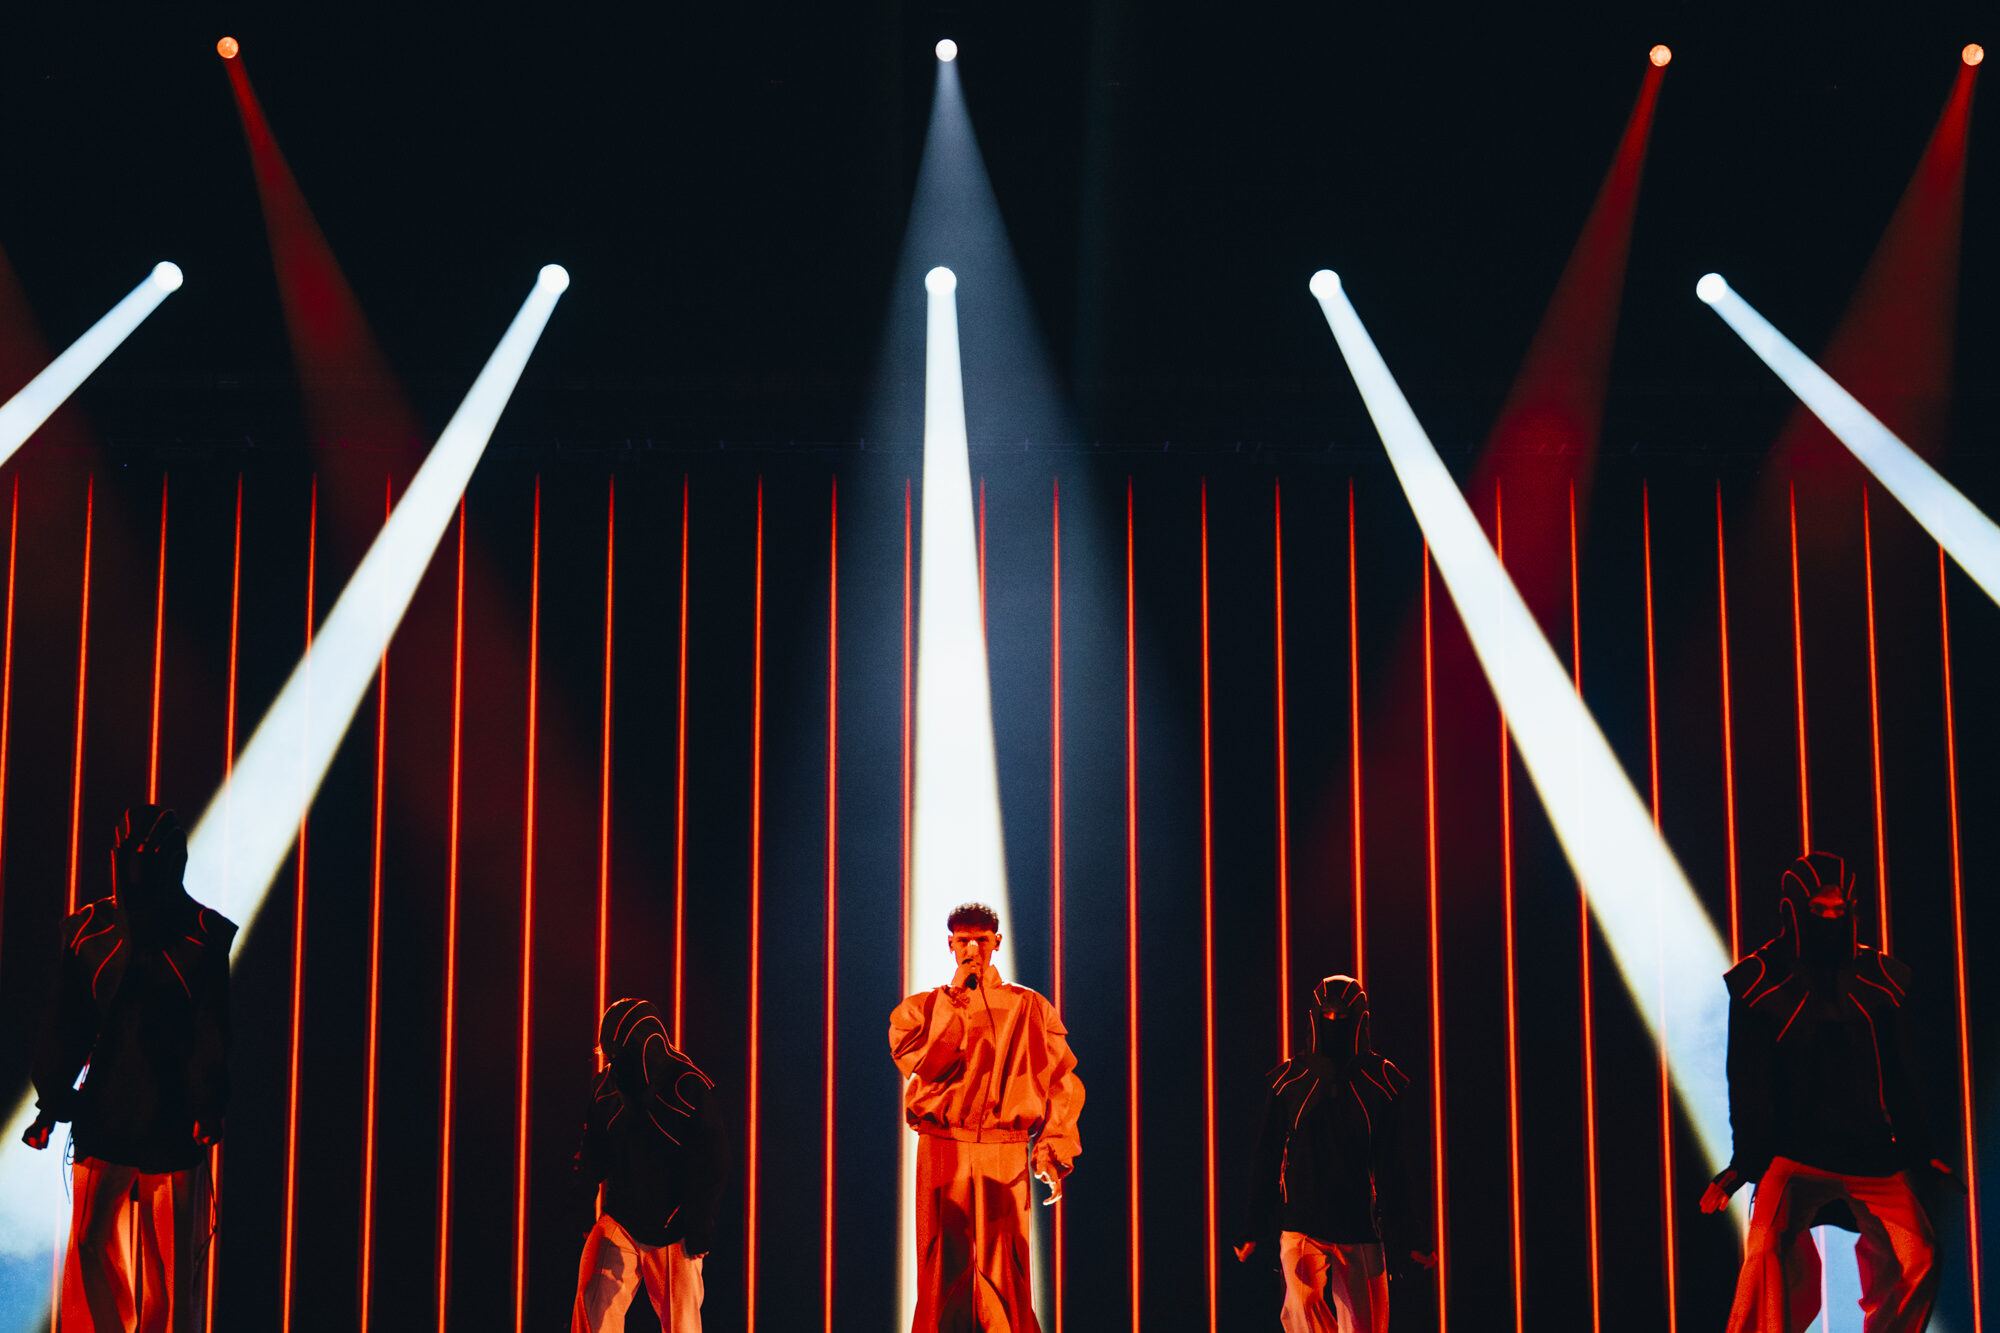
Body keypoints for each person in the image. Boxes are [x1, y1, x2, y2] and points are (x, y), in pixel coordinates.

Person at [1701, 851, 1957, 1333]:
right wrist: (1744, 1164)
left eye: (1840, 910)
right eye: (1820, 909)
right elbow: (1747, 1078)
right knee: (1767, 1256)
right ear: (1795, 910)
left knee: (1917, 1256)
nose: (1832, 919)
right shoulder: (1759, 981)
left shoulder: (1879, 979)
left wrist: (1921, 1151)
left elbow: (1902, 1073)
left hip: (1872, 1155)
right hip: (1792, 1156)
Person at [25, 805, 233, 1333]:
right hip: (114, 1106)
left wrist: (206, 1104)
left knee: (167, 1261)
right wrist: (51, 1102)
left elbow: (212, 1029)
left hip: (168, 1109)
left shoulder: (201, 936)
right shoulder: (90, 933)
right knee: (99, 1243)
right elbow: (66, 1023)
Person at [888, 901, 1083, 1333]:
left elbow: (1060, 1080)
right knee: (941, 1266)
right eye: (963, 941)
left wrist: (1053, 1148)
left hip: (1004, 1148)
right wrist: (955, 1000)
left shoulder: (1030, 1006)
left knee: (1006, 1267)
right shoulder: (921, 1009)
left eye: (980, 940)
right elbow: (928, 1062)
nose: (972, 949)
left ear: (997, 942)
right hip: (944, 1145)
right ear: (950, 945)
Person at [1235, 974, 1430, 1333]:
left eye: (1343, 1018)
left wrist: (1412, 1236)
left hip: (1358, 1225)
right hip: (1303, 1224)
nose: (1335, 1025)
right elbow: (1266, 1155)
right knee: (1302, 1308)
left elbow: (1393, 1168)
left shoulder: (1381, 1083)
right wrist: (1252, 1225)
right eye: (1328, 1017)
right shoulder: (1290, 1082)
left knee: (1364, 1326)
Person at [571, 997, 725, 1333]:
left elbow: (711, 1164)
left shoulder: (689, 1088)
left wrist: (699, 1226)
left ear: (640, 1051)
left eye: (615, 1055)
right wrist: (583, 1206)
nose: (609, 1063)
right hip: (622, 1219)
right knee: (593, 1313)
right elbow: (594, 1151)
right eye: (607, 1055)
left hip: (675, 1229)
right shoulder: (605, 1088)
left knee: (682, 1326)